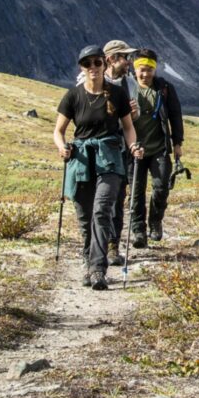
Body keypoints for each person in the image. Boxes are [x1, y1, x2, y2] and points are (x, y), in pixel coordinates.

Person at [54, 45, 144, 290]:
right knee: (84, 217)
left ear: (104, 64)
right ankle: (88, 261)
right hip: (81, 160)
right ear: (82, 67)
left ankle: (97, 269)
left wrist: (134, 146)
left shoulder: (116, 94)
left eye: (96, 62)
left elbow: (127, 126)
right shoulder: (73, 96)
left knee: (102, 211)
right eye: (87, 64)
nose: (92, 67)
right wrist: (62, 147)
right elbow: (58, 131)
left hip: (110, 158)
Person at [75, 40, 140, 266]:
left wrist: (134, 114)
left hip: (120, 148)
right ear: (111, 59)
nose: (129, 62)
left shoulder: (130, 83)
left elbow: (132, 120)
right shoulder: (89, 81)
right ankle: (92, 248)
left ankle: (112, 245)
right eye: (124, 57)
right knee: (95, 201)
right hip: (95, 150)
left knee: (117, 198)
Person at [128, 48, 184, 248]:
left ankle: (155, 222)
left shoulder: (165, 88)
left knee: (161, 187)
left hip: (159, 148)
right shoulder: (127, 88)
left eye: (149, 70)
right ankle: (138, 231)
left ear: (155, 69)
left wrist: (177, 143)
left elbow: (175, 116)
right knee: (136, 191)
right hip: (134, 150)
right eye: (142, 70)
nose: (145, 74)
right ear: (135, 69)